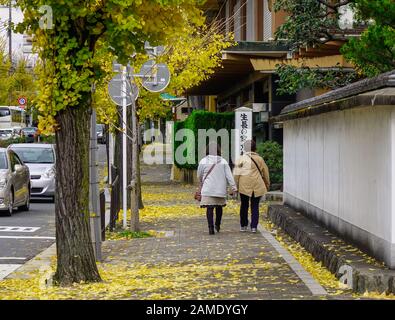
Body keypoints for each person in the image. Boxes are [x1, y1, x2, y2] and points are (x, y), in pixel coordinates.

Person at [197, 142, 237, 235]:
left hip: (208, 189)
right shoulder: (223, 161)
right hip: (220, 189)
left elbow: (199, 174)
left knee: (209, 208)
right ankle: (217, 225)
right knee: (219, 207)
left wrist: (202, 180)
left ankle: (210, 228)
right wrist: (234, 187)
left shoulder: (203, 161)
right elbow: (229, 176)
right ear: (218, 150)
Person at [234, 140, 270, 233]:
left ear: (245, 149)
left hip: (244, 185)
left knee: (244, 205)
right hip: (257, 185)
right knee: (255, 206)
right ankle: (254, 227)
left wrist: (235, 185)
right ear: (255, 148)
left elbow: (236, 174)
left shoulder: (241, 159)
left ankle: (243, 226)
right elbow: (265, 172)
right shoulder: (260, 159)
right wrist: (267, 183)